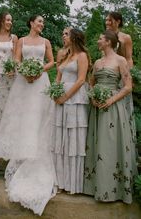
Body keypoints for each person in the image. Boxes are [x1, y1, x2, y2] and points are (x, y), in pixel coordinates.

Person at [0, 15, 57, 215]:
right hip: (23, 82)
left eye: (43, 23)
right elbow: (16, 59)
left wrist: (38, 71)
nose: (41, 25)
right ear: (31, 23)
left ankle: (35, 156)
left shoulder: (45, 42)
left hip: (40, 81)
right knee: (23, 118)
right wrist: (24, 71)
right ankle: (21, 157)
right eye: (39, 22)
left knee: (38, 118)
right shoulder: (20, 40)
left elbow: (52, 61)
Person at [83, 30, 137, 203]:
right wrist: (93, 98)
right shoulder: (98, 62)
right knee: (97, 145)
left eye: (100, 38)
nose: (97, 40)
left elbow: (128, 86)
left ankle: (115, 190)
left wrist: (111, 100)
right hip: (97, 109)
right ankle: (95, 187)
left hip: (113, 109)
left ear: (108, 41)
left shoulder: (121, 61)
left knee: (110, 146)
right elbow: (90, 83)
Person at [52, 28, 90, 194]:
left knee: (72, 140)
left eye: (66, 34)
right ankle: (60, 182)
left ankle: (72, 184)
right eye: (63, 33)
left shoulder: (82, 56)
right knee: (60, 141)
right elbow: (58, 77)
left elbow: (81, 80)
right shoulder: (65, 56)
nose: (63, 36)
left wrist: (65, 97)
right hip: (59, 100)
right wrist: (54, 92)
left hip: (74, 101)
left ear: (74, 38)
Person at [105, 11, 135, 139]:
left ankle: (124, 138)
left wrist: (129, 76)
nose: (107, 22)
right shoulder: (105, 36)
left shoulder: (125, 37)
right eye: (106, 20)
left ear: (118, 21)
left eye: (110, 20)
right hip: (108, 76)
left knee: (121, 106)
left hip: (121, 76)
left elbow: (129, 59)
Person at [0, 11, 18, 134]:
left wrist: (13, 68)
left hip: (10, 76)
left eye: (11, 20)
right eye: (8, 20)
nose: (10, 23)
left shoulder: (14, 38)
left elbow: (16, 56)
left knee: (8, 107)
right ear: (1, 21)